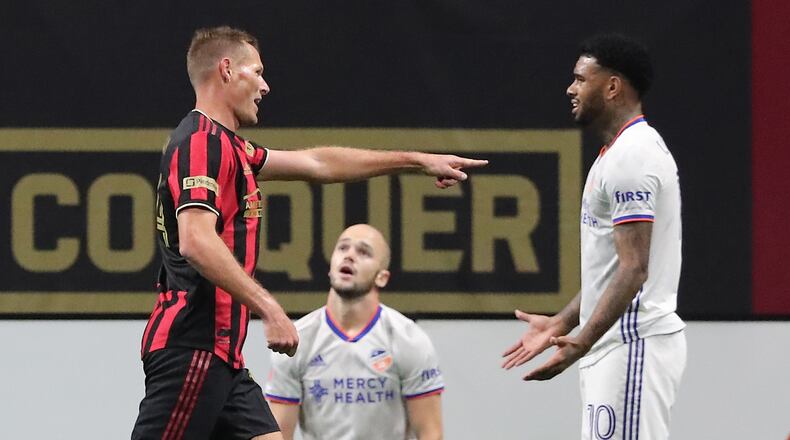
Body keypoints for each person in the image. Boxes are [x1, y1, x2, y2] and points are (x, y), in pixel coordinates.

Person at [132, 26, 483, 440]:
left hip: (223, 357)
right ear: (226, 70)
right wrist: (269, 307)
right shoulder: (198, 142)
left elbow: (319, 164)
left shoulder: (232, 148)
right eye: (257, 72)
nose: (265, 85)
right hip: (190, 347)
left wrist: (417, 161)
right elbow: (196, 241)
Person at [502, 34, 686, 439]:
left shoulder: (632, 156)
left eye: (581, 79)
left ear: (613, 86)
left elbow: (635, 269)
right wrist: (563, 322)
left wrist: (582, 341)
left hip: (633, 341)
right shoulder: (615, 154)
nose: (571, 88)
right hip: (613, 345)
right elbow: (612, 271)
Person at [264, 224, 444, 440]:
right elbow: (280, 435)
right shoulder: (297, 339)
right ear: (331, 266)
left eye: (363, 252)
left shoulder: (409, 339)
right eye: (343, 248)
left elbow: (430, 434)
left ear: (382, 277)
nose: (349, 256)